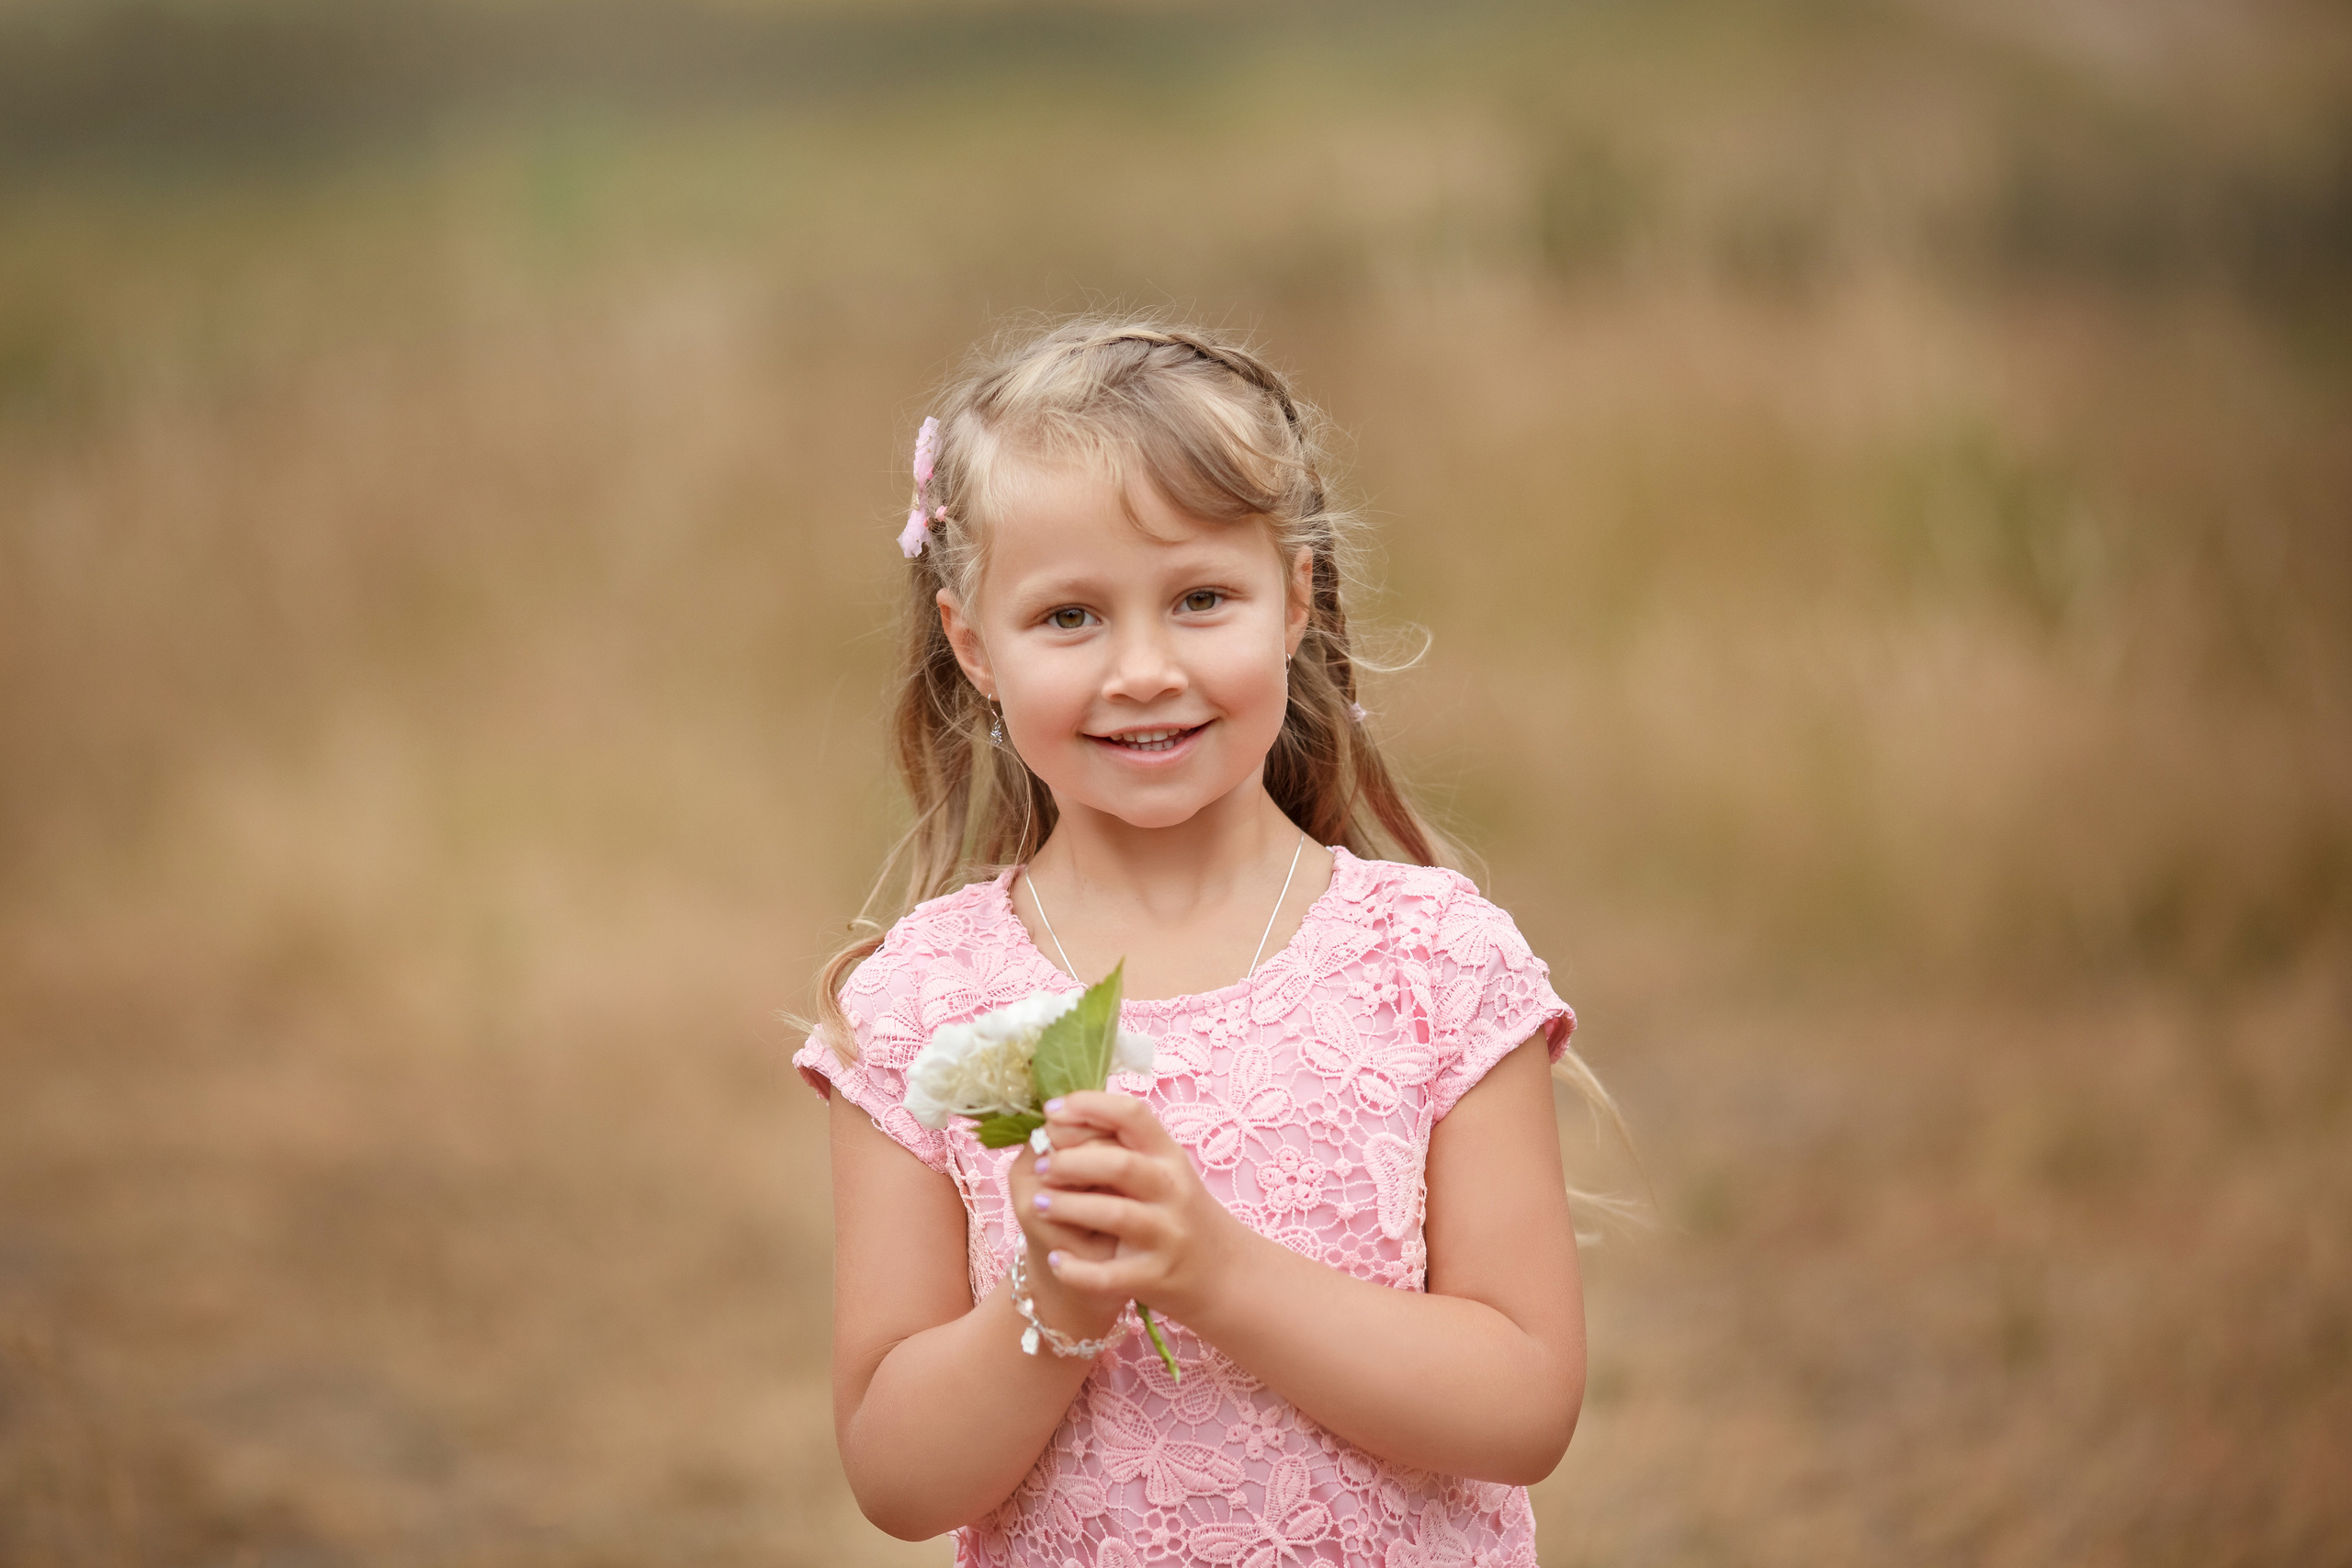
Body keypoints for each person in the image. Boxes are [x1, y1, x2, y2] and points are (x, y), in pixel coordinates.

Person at [794, 316, 1621, 1568]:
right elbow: (899, 1478)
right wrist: (1052, 1302)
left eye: (1199, 600)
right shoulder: (923, 1007)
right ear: (975, 646)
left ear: (1292, 599)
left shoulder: (1434, 964)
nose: (1142, 669)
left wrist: (1216, 1273)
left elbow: (1524, 1403)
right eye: (1069, 617)